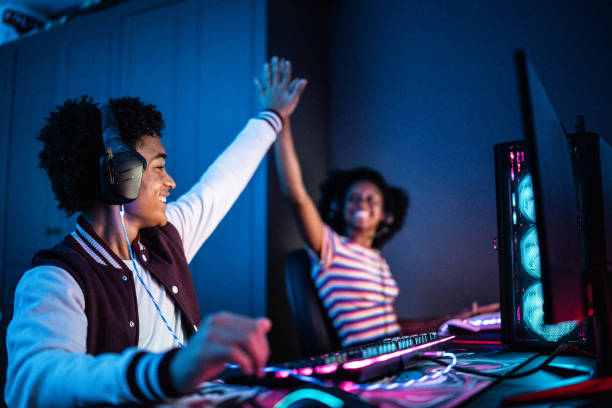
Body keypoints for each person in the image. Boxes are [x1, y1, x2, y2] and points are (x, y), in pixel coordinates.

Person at [4, 57, 307, 407]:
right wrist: (167, 371)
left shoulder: (166, 237)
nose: (171, 181)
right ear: (121, 174)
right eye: (160, 167)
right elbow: (33, 381)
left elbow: (222, 181)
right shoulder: (54, 279)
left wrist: (272, 115)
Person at [273, 117, 498, 349]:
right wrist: (282, 121)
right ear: (339, 208)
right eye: (354, 198)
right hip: (365, 362)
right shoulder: (330, 246)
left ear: (385, 216)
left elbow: (391, 329)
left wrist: (451, 319)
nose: (362, 204)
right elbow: (296, 196)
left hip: (394, 354)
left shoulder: (376, 260)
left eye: (372, 200)